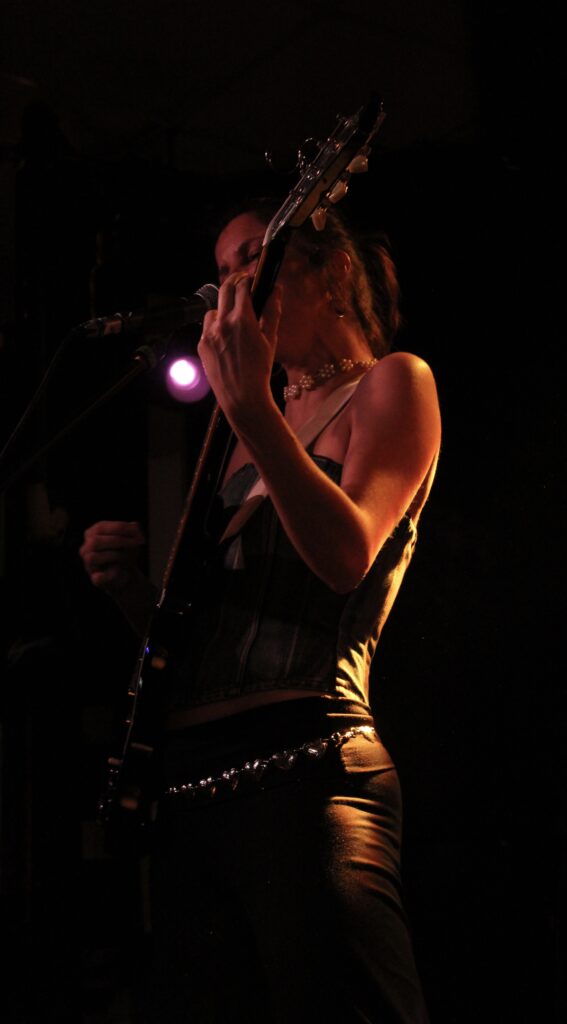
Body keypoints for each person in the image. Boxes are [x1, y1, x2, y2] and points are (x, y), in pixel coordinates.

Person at [79, 197, 441, 1023]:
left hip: (306, 773)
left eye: (252, 257)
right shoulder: (245, 429)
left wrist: (249, 409)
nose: (230, 287)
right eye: (220, 274)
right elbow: (203, 643)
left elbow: (345, 556)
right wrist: (137, 594)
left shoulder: (392, 382)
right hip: (195, 795)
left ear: (332, 271)